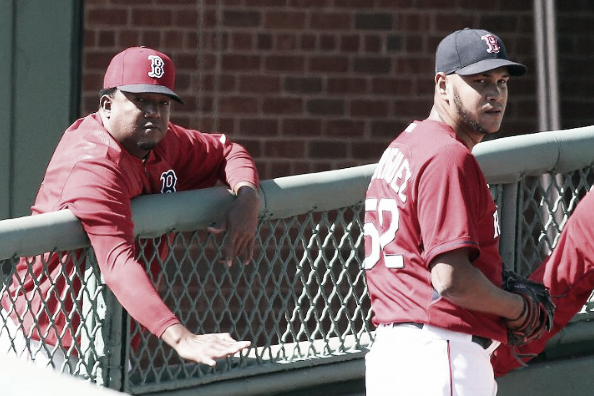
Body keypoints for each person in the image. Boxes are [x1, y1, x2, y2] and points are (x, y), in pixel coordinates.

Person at [0, 46, 260, 371]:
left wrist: (248, 196)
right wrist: (182, 338)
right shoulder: (93, 162)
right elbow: (117, 262)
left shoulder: (161, 141)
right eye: (140, 100)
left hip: (101, 335)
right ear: (107, 105)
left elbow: (228, 152)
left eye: (162, 103)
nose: (153, 112)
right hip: (40, 339)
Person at [363, 28, 532, 395]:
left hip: (397, 355)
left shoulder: (406, 145)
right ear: (442, 84)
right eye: (480, 80)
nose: (494, 93)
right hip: (440, 352)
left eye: (502, 82)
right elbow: (450, 279)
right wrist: (516, 308)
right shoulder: (447, 154)